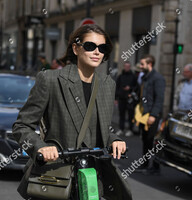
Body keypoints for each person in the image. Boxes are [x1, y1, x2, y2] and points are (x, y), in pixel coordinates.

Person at [13, 24, 132, 200]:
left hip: (92, 180)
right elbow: (21, 126)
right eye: (90, 46)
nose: (97, 52)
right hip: (56, 176)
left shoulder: (108, 85)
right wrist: (40, 147)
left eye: (102, 48)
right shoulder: (50, 80)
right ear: (76, 48)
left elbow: (100, 129)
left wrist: (115, 140)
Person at [137, 54, 165, 174]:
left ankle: (155, 166)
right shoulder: (145, 77)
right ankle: (145, 164)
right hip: (144, 114)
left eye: (142, 64)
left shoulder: (158, 78)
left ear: (150, 64)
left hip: (153, 115)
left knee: (153, 140)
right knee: (146, 140)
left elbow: (159, 99)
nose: (140, 66)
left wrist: (153, 115)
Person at [115, 61, 137, 136]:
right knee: (122, 115)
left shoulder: (133, 76)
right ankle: (121, 129)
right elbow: (117, 87)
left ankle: (130, 129)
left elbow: (136, 87)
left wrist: (130, 88)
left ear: (129, 67)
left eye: (128, 66)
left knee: (131, 115)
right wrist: (116, 98)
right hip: (121, 98)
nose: (127, 68)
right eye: (125, 66)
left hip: (130, 99)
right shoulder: (120, 76)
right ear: (124, 67)